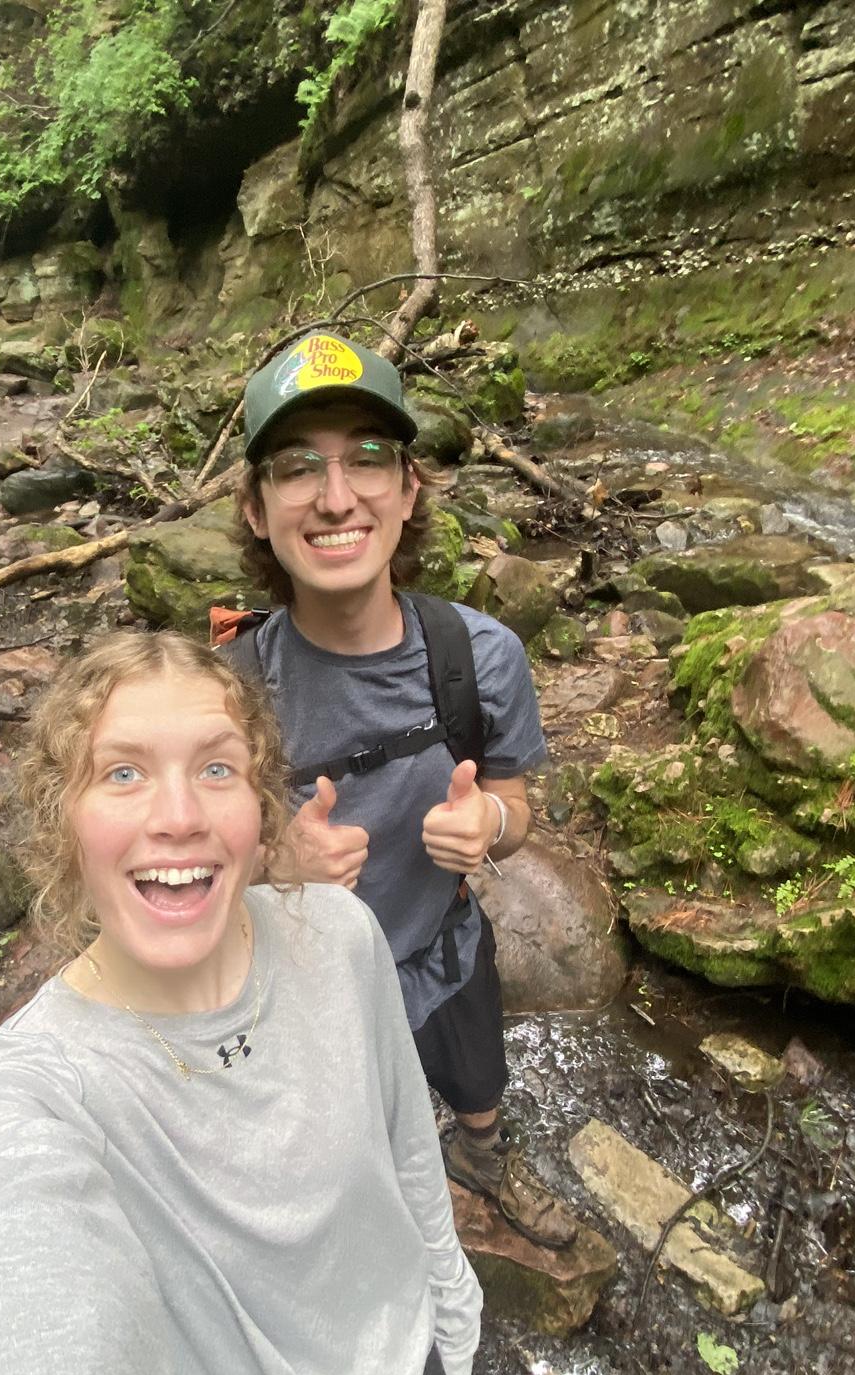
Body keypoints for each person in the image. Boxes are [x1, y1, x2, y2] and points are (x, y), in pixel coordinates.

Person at [0, 632, 482, 1375]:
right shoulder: (27, 1084)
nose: (179, 816)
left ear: (259, 807)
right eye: (122, 773)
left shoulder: (340, 936)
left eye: (217, 770)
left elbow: (409, 1160)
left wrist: (455, 1334)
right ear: (63, 818)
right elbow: (12, 1264)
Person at [224, 330, 577, 1250]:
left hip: (439, 945)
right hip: (300, 985)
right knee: (335, 1146)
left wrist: (491, 823)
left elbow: (513, 800)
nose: (336, 497)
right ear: (257, 509)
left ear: (409, 489)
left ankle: (482, 1152)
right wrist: (271, 862)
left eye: (369, 459)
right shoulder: (226, 689)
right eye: (298, 468)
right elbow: (184, 868)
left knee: (477, 1076)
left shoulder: (480, 657)